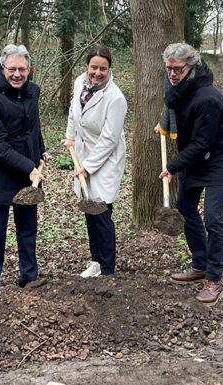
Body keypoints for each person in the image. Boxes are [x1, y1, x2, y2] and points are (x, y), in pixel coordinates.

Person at [158, 42, 223, 306]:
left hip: (217, 158)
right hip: (194, 155)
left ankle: (214, 278)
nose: (172, 74)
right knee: (185, 209)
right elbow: (178, 117)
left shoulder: (208, 98)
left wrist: (172, 166)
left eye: (177, 69)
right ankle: (200, 264)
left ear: (192, 67)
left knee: (213, 218)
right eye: (169, 68)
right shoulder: (177, 90)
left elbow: (203, 143)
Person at [0, 44, 49, 290]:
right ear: (2, 68)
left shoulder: (32, 91)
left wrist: (41, 148)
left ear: (29, 69)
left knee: (28, 230)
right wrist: (28, 166)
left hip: (28, 175)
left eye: (22, 69)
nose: (17, 74)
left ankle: (29, 277)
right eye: (12, 69)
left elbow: (32, 126)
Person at [61, 45, 127, 278]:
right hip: (83, 153)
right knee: (89, 209)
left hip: (105, 159)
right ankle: (96, 262)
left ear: (109, 69)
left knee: (101, 211)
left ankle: (107, 269)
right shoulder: (80, 83)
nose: (97, 73)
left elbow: (109, 139)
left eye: (103, 69)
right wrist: (70, 137)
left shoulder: (115, 98)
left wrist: (87, 168)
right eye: (93, 67)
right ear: (87, 66)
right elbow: (73, 111)